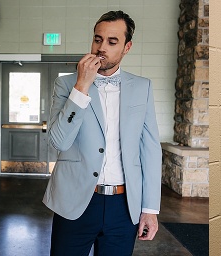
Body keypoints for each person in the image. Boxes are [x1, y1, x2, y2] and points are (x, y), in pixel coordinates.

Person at [43, 10, 161, 255]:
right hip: (75, 201)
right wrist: (82, 86)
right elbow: (58, 141)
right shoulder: (66, 84)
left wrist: (150, 208)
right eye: (98, 39)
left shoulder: (143, 87)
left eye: (112, 41)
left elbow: (150, 149)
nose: (101, 47)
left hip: (124, 205)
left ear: (127, 47)